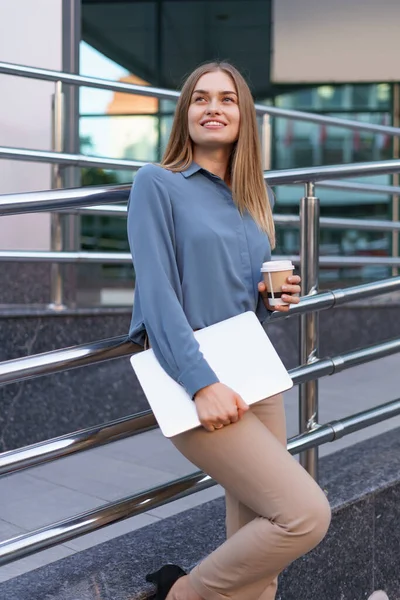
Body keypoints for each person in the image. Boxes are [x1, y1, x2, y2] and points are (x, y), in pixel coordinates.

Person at [127, 61, 331, 600]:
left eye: (227, 99)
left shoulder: (250, 202)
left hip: (254, 371)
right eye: (200, 98)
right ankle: (180, 594)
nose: (212, 107)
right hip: (195, 375)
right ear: (185, 114)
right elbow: (158, 295)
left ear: (244, 117)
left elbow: (235, 299)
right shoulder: (157, 184)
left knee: (261, 560)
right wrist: (200, 383)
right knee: (303, 516)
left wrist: (272, 298)